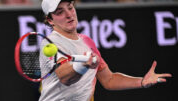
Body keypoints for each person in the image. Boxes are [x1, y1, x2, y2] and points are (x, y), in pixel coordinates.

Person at [39, 0, 172, 101]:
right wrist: (83, 65)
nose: (69, 14)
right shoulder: (49, 44)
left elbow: (109, 79)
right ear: (50, 20)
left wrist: (141, 82)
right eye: (60, 12)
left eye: (70, 7)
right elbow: (64, 77)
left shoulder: (86, 41)